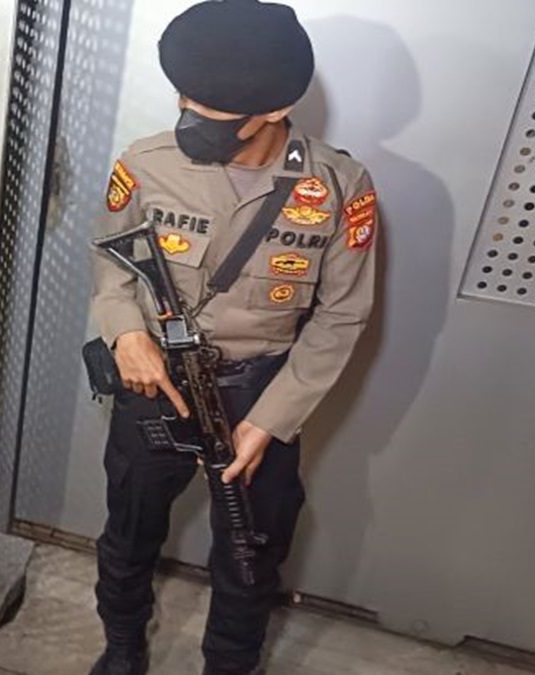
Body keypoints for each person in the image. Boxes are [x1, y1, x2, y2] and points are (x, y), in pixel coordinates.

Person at [90, 2, 378, 673]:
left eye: (210, 108)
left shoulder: (338, 187)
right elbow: (112, 259)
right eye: (183, 97)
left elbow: (342, 315)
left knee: (251, 556)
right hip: (156, 387)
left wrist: (271, 421)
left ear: (276, 108)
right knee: (128, 533)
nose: (188, 114)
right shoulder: (146, 162)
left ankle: (229, 664)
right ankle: (122, 647)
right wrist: (126, 333)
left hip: (260, 394)